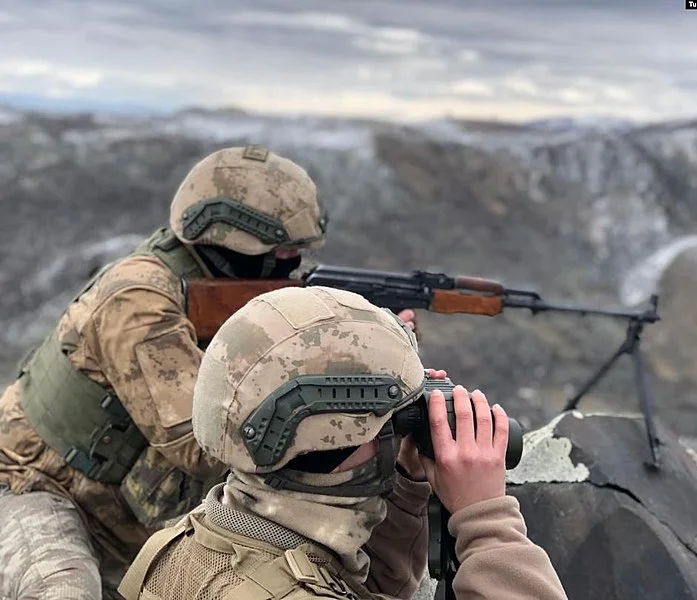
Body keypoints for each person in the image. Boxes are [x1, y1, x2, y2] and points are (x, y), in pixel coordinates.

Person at [0, 145, 416, 600]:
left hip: (121, 508)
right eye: (284, 252)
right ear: (232, 242)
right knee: (64, 591)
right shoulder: (138, 300)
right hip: (32, 485)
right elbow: (202, 444)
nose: (292, 264)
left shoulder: (210, 286)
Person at [118, 286, 567, 600]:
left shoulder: (196, 541)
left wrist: (406, 485)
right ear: (339, 441)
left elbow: (355, 585)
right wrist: (485, 519)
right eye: (390, 421)